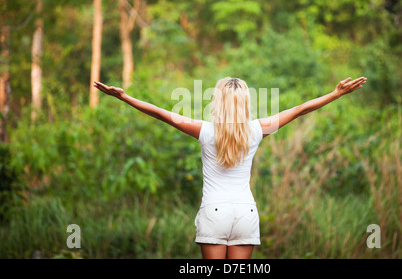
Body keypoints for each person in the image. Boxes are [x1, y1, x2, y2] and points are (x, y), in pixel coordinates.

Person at [94, 76, 367, 259]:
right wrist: (335, 93)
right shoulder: (257, 130)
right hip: (245, 212)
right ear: (245, 102)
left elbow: (162, 114)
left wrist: (124, 97)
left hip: (214, 211)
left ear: (218, 102)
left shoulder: (205, 131)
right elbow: (299, 109)